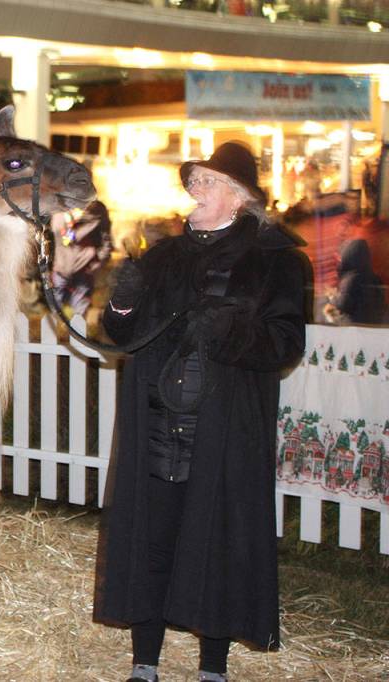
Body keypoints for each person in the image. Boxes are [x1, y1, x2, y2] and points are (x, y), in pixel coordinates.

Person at [94, 142, 307, 682]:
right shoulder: (164, 255)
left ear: (239, 197)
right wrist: (122, 300)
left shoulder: (276, 260)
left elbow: (285, 344)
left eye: (208, 181)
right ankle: (146, 663)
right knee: (153, 535)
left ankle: (214, 667)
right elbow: (120, 333)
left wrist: (231, 328)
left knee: (217, 539)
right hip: (158, 422)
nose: (194, 190)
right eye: (194, 181)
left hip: (225, 428)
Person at [50, 199, 113, 315]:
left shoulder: (96, 211)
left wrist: (97, 259)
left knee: (80, 312)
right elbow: (66, 239)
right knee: (55, 310)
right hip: (62, 271)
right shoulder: (60, 213)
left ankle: (81, 330)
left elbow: (106, 242)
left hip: (82, 272)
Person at [323, 239, 387, 325]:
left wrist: (332, 297)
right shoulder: (375, 278)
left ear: (348, 255)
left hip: (355, 326)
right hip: (374, 325)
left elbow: (344, 305)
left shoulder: (351, 279)